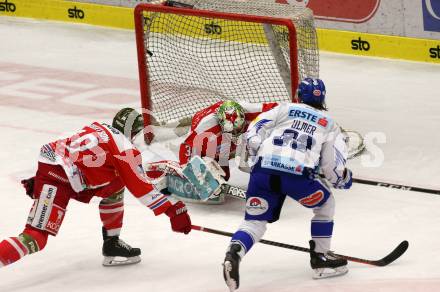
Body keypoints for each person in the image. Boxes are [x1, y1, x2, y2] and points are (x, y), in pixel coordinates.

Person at [0, 108, 191, 268]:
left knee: (116, 185)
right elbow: (141, 188)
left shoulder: (99, 128)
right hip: (58, 178)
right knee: (36, 238)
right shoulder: (125, 148)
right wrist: (172, 211)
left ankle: (112, 243)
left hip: (62, 169)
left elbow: (92, 160)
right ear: (134, 132)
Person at [222, 78, 353, 290]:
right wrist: (344, 179)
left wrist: (259, 151)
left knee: (254, 222)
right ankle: (321, 260)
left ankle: (234, 252)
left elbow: (254, 130)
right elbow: (331, 170)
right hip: (297, 176)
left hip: (263, 172)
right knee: (325, 205)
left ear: (299, 96)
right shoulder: (329, 124)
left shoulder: (282, 108)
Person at [179, 100, 278, 180]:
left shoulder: (252, 111)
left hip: (229, 137)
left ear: (243, 117)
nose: (235, 133)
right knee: (221, 176)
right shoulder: (206, 129)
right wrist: (189, 170)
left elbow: (278, 110)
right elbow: (186, 146)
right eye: (232, 131)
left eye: (239, 128)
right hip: (211, 137)